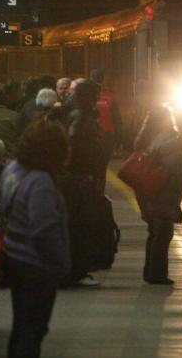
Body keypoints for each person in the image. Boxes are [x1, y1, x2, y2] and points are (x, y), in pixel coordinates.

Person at [0, 119, 71, 358]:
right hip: (36, 267)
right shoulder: (40, 182)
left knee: (21, 327)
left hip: (14, 258)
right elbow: (43, 229)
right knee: (33, 331)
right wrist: (61, 263)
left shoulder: (12, 171)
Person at [133, 105, 182, 284]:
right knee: (163, 233)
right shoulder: (168, 141)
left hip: (146, 190)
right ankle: (158, 274)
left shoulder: (145, 139)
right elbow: (176, 170)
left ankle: (150, 272)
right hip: (163, 192)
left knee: (154, 231)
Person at [60, 80, 105, 287]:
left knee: (77, 225)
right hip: (81, 178)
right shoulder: (82, 116)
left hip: (79, 177)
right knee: (81, 225)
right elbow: (77, 144)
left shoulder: (76, 113)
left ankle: (74, 270)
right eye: (95, 95)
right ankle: (76, 271)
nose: (97, 99)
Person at [89, 69, 123, 160]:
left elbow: (117, 118)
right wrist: (119, 137)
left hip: (101, 134)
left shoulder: (84, 96)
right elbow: (117, 119)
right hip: (102, 134)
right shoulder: (109, 96)